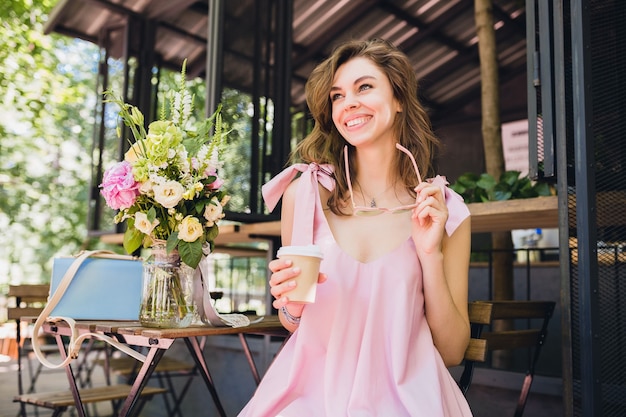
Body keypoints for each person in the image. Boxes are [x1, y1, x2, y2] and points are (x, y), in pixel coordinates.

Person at [238, 38, 472, 416]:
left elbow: (452, 351)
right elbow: (294, 323)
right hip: (310, 397)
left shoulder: (446, 212)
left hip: (406, 400)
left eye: (364, 87)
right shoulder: (305, 194)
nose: (349, 103)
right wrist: (291, 305)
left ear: (398, 100)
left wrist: (430, 254)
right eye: (337, 96)